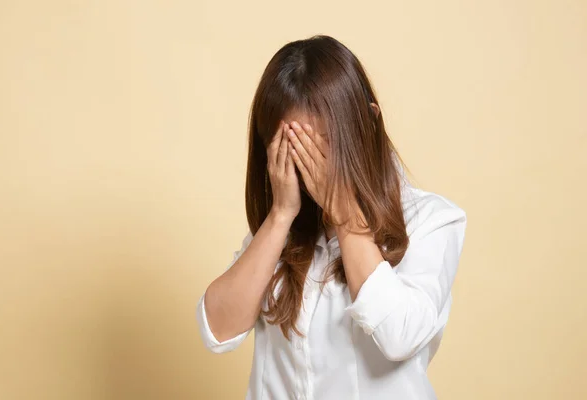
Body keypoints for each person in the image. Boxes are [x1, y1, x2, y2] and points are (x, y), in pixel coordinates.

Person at [195, 35, 467, 400]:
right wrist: (279, 215)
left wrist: (345, 216)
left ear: (369, 122)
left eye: (323, 142)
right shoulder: (282, 233)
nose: (313, 165)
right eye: (294, 147)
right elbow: (218, 331)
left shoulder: (432, 221)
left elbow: (400, 336)